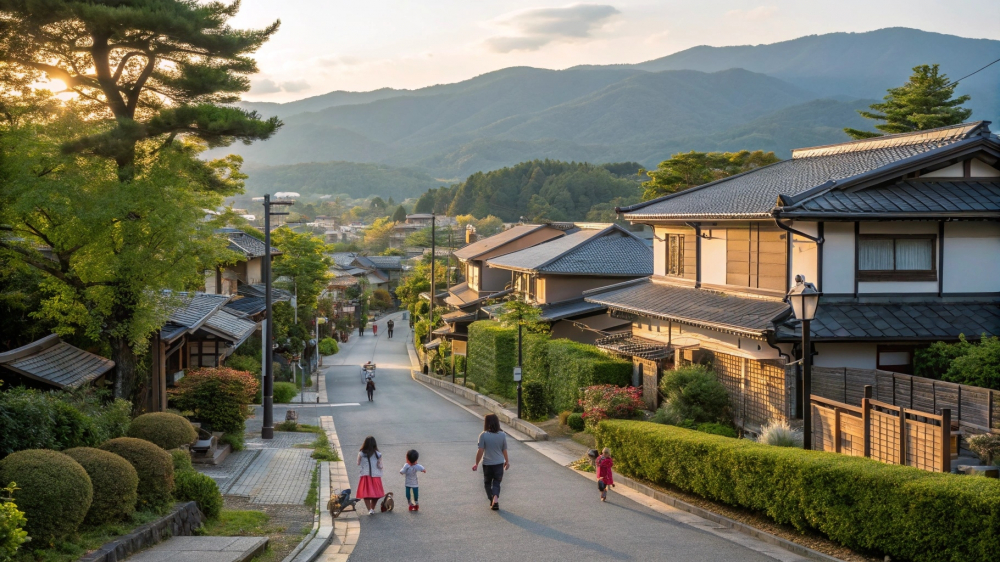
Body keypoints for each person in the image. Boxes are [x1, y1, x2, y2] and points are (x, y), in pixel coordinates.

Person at [472, 414, 509, 511]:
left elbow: (480, 450)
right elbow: (504, 449)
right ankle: (495, 498)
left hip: (487, 464)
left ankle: (492, 499)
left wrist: (476, 463)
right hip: (499, 463)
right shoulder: (502, 435)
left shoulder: (483, 435)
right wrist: (507, 461)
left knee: (487, 483)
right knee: (497, 482)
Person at [357, 436, 385, 515]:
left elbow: (358, 463)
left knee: (366, 493)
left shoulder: (361, 453)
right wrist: (381, 467)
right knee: (376, 494)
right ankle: (372, 509)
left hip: (365, 475)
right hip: (376, 476)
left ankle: (369, 509)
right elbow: (380, 466)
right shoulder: (378, 454)